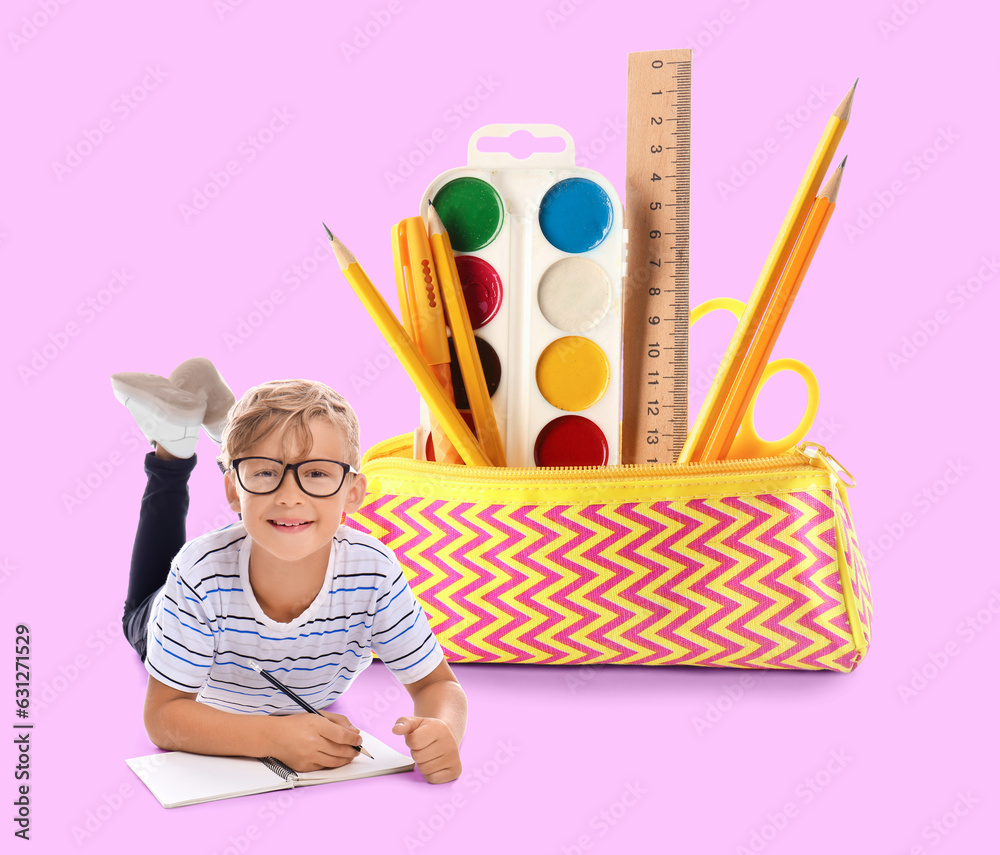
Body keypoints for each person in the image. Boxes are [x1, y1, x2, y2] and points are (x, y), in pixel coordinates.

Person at [112, 357, 466, 782]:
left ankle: (241, 440)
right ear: (230, 489)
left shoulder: (372, 572)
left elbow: (438, 686)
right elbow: (164, 718)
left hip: (248, 530)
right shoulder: (199, 573)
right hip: (177, 604)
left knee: (267, 498)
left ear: (353, 494)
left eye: (317, 473)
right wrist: (273, 737)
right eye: (267, 473)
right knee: (143, 606)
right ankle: (173, 451)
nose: (290, 497)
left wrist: (443, 729)